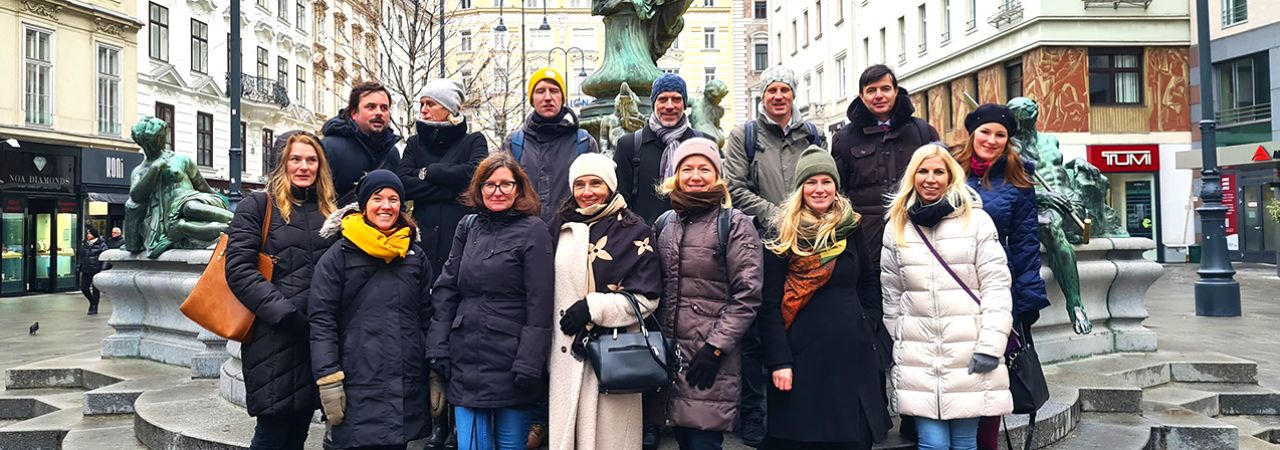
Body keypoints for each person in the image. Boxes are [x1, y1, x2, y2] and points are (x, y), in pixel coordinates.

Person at [755, 147, 891, 450]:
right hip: (801, 363)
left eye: (826, 181)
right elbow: (769, 305)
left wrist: (867, 325)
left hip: (853, 359)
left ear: (836, 185)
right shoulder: (782, 233)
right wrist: (779, 361)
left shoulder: (849, 226)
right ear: (800, 188)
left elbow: (868, 283)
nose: (819, 189)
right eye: (811, 182)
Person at [880, 145, 1014, 450]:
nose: (930, 179)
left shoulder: (977, 222)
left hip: (971, 351)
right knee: (933, 443)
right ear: (912, 176)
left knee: (966, 443)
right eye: (923, 171)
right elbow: (891, 293)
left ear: (951, 177)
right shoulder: (897, 227)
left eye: (938, 171)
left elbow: (996, 288)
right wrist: (900, 341)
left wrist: (991, 347)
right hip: (919, 355)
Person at [721, 65, 826, 446]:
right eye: (771, 91)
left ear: (793, 95)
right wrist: (781, 217)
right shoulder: (744, 136)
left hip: (807, 243)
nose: (778, 96)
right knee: (754, 330)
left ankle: (798, 407)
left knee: (800, 324)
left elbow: (823, 180)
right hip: (759, 243)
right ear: (762, 97)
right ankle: (754, 411)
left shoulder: (812, 134)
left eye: (784, 90)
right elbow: (734, 186)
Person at [426, 153, 553, 450]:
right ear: (479, 188)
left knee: (511, 445)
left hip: (512, 359)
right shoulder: (468, 227)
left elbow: (540, 302)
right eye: (489, 184)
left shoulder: (534, 230)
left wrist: (530, 362)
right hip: (466, 355)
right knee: (471, 445)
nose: (497, 191)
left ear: (519, 188)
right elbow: (446, 289)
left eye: (505, 184)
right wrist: (437, 348)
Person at [226, 131, 338, 450]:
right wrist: (286, 314)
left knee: (299, 430)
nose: (304, 166)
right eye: (296, 159)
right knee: (272, 433)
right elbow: (239, 269)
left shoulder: (330, 213)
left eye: (311, 159)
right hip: (274, 337)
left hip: (315, 339)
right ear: (282, 164)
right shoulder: (258, 206)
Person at [309, 170, 433, 450]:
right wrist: (328, 380)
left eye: (393, 199)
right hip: (356, 384)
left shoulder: (414, 255)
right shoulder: (338, 255)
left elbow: (427, 316)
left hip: (404, 384)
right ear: (364, 205)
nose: (386, 206)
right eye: (377, 198)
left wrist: (434, 371)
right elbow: (322, 321)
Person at [653, 138, 763, 450]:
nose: (696, 175)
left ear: (717, 175)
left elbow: (748, 295)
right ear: (676, 175)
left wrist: (715, 348)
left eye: (705, 168)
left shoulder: (735, 224)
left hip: (710, 358)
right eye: (687, 168)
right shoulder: (665, 223)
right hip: (669, 358)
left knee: (703, 441)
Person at [547, 154, 663, 450]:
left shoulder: (635, 231)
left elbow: (647, 298)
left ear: (610, 186)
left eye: (596, 183)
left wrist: (593, 307)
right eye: (580, 184)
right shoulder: (558, 226)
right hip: (565, 352)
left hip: (614, 351)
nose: (587, 192)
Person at [953, 104, 1050, 450]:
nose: (991, 140)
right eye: (985, 132)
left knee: (990, 380)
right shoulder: (951, 172)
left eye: (1000, 135)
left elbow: (1026, 242)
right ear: (972, 134)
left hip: (995, 288)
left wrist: (1026, 301)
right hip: (953, 286)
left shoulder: (1018, 180)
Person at [832, 64, 940, 271]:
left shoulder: (922, 132)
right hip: (866, 241)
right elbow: (838, 193)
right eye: (871, 90)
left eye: (885, 89)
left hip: (917, 234)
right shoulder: (844, 139)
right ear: (861, 96)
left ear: (896, 92)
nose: (879, 95)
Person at [398, 78, 488, 276]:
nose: (423, 110)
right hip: (422, 245)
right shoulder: (414, 144)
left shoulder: (474, 141)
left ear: (449, 108)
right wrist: (454, 188)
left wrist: (428, 172)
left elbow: (474, 176)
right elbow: (404, 185)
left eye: (430, 104)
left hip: (462, 245)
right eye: (422, 104)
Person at [503, 68, 600, 225]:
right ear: (532, 99)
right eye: (540, 91)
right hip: (524, 236)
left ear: (562, 97)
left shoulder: (583, 142)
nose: (548, 97)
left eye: (554, 91)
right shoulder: (514, 144)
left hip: (571, 235)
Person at [614, 73, 712, 224]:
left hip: (695, 241)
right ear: (654, 103)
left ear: (684, 104)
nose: (669, 106)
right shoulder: (629, 146)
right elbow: (620, 203)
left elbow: (715, 196)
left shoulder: (703, 144)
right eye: (663, 99)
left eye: (677, 99)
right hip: (645, 241)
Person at [322, 81, 403, 204]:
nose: (379, 113)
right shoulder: (329, 148)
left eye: (384, 108)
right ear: (354, 113)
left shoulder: (392, 153)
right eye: (371, 107)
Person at [78, 228, 108, 315]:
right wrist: (79, 266)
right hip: (86, 269)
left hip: (96, 269)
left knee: (96, 290)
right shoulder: (84, 244)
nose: (88, 235)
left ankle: (94, 306)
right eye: (87, 234)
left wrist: (103, 269)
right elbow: (81, 256)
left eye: (90, 234)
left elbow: (105, 258)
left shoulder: (102, 245)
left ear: (94, 235)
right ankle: (92, 301)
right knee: (84, 288)